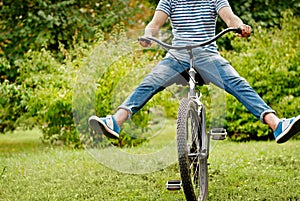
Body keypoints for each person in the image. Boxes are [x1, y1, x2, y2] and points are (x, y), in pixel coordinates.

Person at [88, 0, 300, 143]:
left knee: (238, 83)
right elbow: (155, 24)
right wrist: (148, 36)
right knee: (149, 82)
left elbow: (230, 18)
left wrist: (239, 26)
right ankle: (115, 121)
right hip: (176, 56)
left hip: (207, 55)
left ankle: (277, 125)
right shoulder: (170, 0)